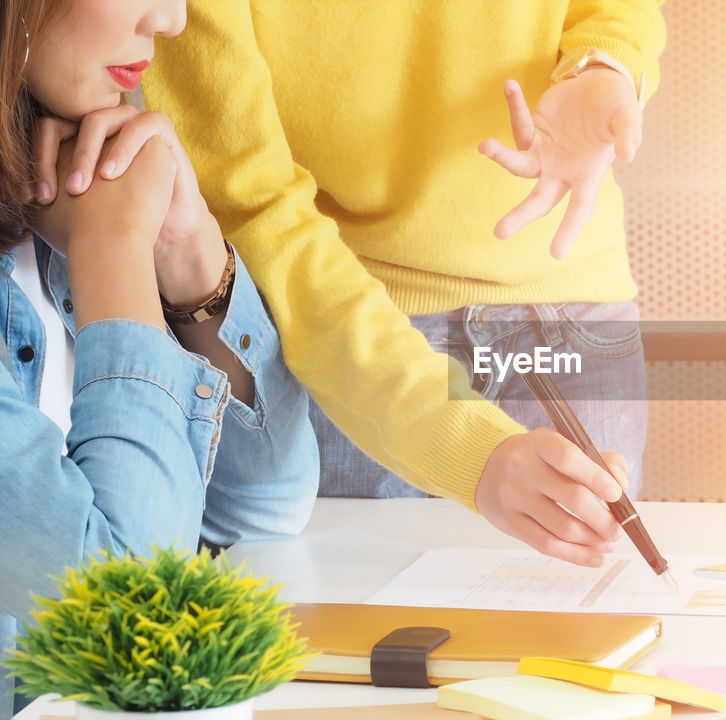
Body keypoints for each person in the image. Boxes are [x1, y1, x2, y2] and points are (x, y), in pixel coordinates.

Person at [50, 1, 666, 568]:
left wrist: (605, 61)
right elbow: (254, 204)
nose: (166, 18)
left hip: (566, 314)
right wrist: (470, 449)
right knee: (349, 643)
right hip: (337, 335)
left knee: (583, 639)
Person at [0, 1, 318, 717]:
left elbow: (265, 507)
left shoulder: (67, 171)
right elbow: (128, 612)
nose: (172, 20)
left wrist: (187, 248)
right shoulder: (93, 219)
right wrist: (112, 251)